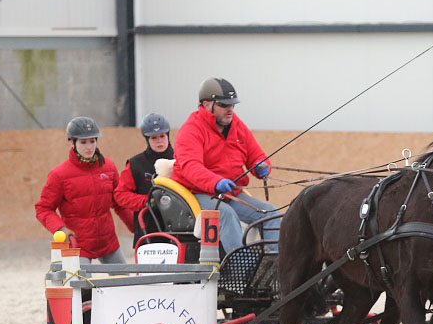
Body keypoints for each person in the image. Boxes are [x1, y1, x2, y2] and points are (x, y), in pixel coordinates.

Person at [171, 77, 280, 254]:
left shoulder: (235, 123)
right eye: (223, 105)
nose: (230, 109)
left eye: (232, 105)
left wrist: (262, 165)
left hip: (229, 192)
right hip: (198, 193)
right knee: (226, 215)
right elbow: (191, 167)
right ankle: (243, 273)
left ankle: (281, 266)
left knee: (270, 212)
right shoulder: (191, 130)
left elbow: (255, 153)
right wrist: (216, 182)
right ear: (206, 104)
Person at [35, 116, 131, 263]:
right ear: (73, 143)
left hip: (108, 242)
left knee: (124, 281)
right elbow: (43, 209)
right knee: (83, 285)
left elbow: (119, 202)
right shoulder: (59, 175)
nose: (89, 147)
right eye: (83, 142)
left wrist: (136, 227)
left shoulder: (108, 167)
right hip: (79, 245)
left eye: (92, 141)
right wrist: (60, 229)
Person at [114, 112, 175, 246]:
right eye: (154, 138)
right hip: (148, 231)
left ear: (168, 136)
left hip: (179, 230)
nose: (159, 141)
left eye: (162, 136)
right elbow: (120, 195)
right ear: (147, 139)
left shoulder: (181, 159)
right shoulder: (136, 164)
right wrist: (147, 201)